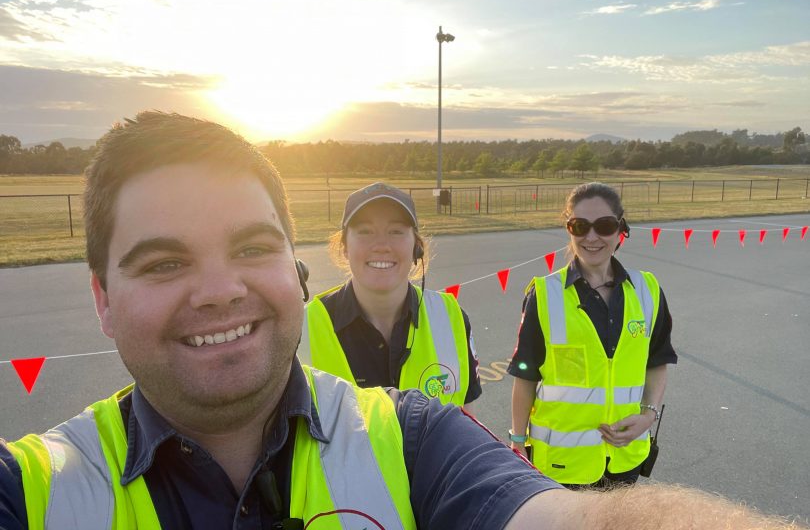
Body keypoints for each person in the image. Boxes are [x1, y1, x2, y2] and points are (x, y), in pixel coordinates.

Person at [0, 114, 803, 530]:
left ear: (291, 266)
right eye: (164, 261)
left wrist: (643, 421)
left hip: (610, 471)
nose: (218, 290)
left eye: (251, 247)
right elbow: (525, 376)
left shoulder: (413, 437)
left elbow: (569, 519)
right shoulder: (35, 490)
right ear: (100, 297)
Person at [508, 182, 678, 488]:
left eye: (604, 226)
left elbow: (657, 361)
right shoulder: (544, 294)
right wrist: (518, 442)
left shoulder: (647, 291)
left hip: (625, 459)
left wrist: (648, 415)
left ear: (620, 229)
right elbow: (525, 376)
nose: (591, 237)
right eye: (580, 226)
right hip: (561, 466)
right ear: (568, 229)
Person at [300, 182, 481, 413]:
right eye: (365, 231)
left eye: (396, 231)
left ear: (417, 247)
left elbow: (467, 413)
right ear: (344, 246)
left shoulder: (451, 317)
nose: (381, 246)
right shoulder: (303, 329)